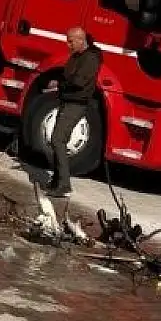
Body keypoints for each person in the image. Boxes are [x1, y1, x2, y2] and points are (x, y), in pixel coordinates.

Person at [30, 27, 101, 198]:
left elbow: (78, 81)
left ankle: (64, 184)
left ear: (81, 40)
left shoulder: (90, 58)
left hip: (76, 104)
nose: (68, 45)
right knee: (57, 139)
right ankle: (57, 180)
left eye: (71, 41)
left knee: (57, 140)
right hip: (68, 101)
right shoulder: (77, 56)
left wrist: (59, 85)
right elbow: (68, 75)